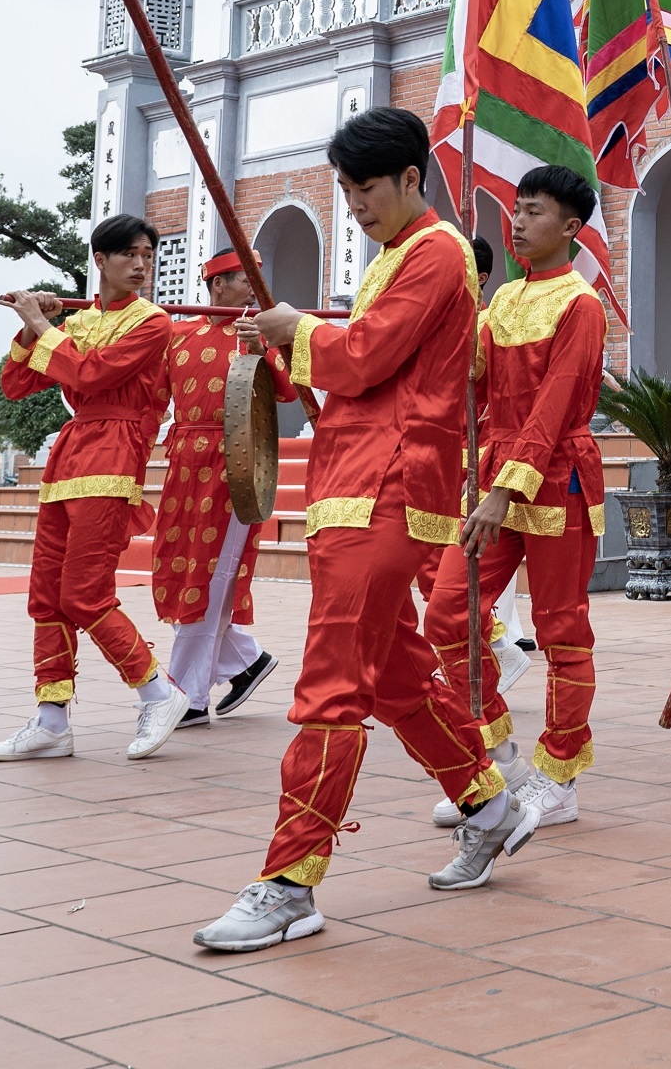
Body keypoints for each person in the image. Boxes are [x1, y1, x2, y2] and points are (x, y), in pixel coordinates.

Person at [192, 108, 535, 955]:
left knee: (333, 681)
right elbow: (349, 372)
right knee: (388, 673)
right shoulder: (393, 259)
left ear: (412, 179)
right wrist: (288, 340)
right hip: (353, 484)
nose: (353, 204)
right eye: (343, 190)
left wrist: (300, 332)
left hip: (390, 487)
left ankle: (291, 878)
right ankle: (489, 802)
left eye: (365, 187)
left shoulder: (438, 251)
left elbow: (363, 357)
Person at [426, 166, 608, 832]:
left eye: (533, 212)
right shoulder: (500, 301)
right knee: (447, 616)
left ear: (569, 227)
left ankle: (559, 774)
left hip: (555, 476)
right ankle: (494, 751)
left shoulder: (580, 306)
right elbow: (469, 383)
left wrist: (504, 489)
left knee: (561, 630)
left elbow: (554, 408)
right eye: (516, 210)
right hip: (495, 470)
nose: (518, 222)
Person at [0, 213, 189, 766]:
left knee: (83, 594)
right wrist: (33, 327)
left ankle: (157, 691)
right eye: (129, 254)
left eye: (148, 255)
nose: (141, 265)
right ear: (100, 260)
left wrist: (45, 326)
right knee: (46, 596)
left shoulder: (154, 322)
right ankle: (52, 721)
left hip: (114, 456)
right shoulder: (79, 320)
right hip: (70, 458)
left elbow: (92, 376)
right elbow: (17, 384)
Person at [154, 247, 291, 724]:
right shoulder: (178, 332)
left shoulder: (256, 334)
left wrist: (261, 349)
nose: (253, 287)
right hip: (183, 463)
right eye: (243, 279)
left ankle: (186, 695)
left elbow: (289, 390)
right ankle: (245, 660)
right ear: (217, 285)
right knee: (184, 567)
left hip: (234, 463)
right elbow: (154, 396)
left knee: (211, 574)